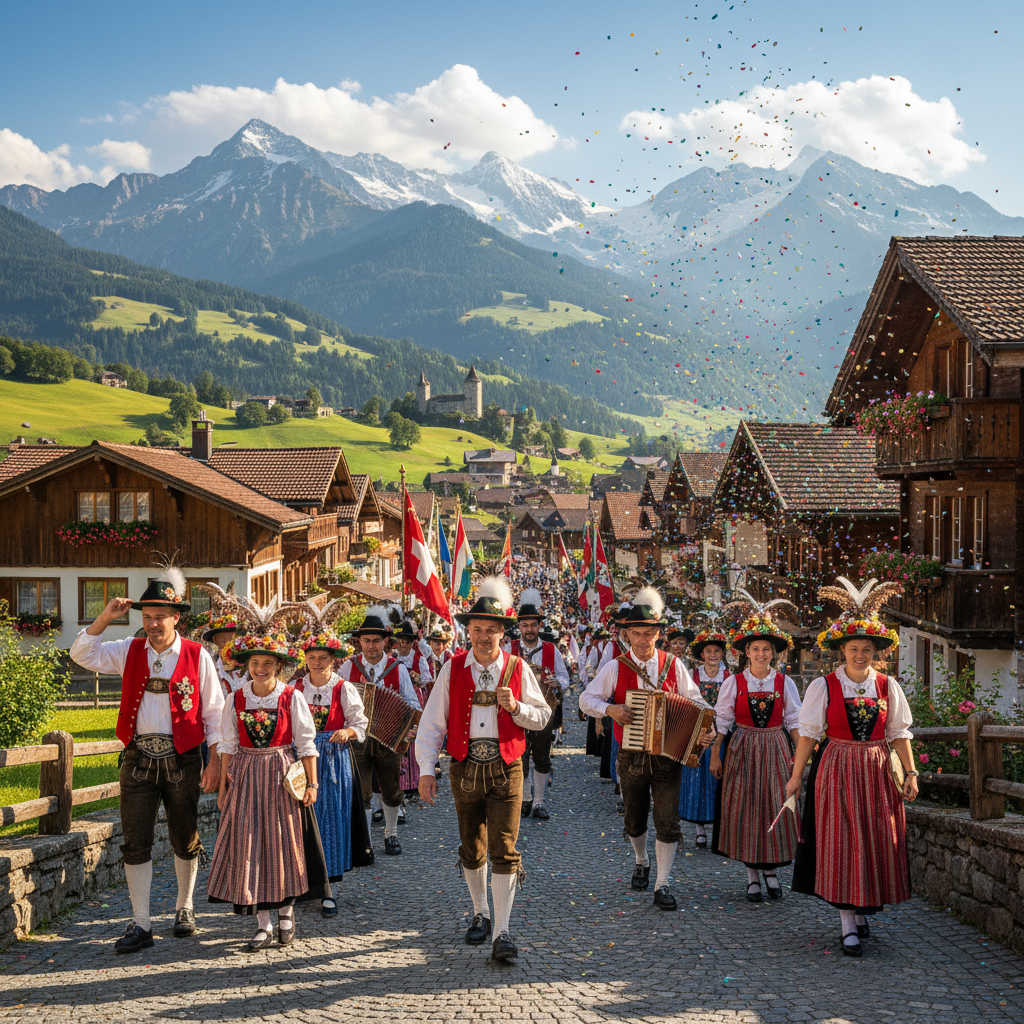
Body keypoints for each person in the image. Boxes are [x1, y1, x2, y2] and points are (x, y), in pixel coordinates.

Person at [70, 569, 224, 954]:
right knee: (135, 841)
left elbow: (215, 713)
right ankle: (141, 923)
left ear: (177, 617)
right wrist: (105, 617)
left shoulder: (196, 654)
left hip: (184, 757)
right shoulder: (127, 649)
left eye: (161, 616)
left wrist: (216, 761)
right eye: (148, 616)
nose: (153, 624)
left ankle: (184, 908)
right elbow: (81, 654)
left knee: (184, 836)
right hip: (138, 757)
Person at [417, 577, 552, 961]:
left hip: (506, 766)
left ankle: (503, 933)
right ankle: (481, 913)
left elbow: (542, 717)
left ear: (502, 633)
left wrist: (516, 709)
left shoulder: (518, 667)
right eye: (477, 629)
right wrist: (427, 769)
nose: (483, 636)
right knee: (471, 848)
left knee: (504, 848)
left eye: (491, 630)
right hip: (464, 767)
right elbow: (432, 724)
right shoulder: (452, 668)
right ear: (468, 631)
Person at [790, 578, 918, 957]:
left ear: (875, 652)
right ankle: (847, 923)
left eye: (866, 649)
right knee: (843, 840)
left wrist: (910, 772)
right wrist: (796, 777)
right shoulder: (824, 686)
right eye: (853, 648)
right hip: (838, 768)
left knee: (875, 839)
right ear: (841, 650)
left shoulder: (887, 685)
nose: (859, 655)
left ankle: (861, 909)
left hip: (878, 769)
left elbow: (899, 732)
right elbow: (809, 735)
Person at [580, 589, 714, 911]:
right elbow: (586, 699)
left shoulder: (673, 664)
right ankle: (641, 859)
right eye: (637, 633)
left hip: (668, 756)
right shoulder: (615, 666)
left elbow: (696, 700)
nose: (643, 640)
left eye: (649, 633)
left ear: (658, 634)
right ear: (627, 634)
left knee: (668, 822)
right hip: (631, 756)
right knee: (635, 820)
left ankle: (662, 883)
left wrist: (704, 728)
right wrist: (611, 711)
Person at [208, 632, 330, 949]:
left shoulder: (292, 697)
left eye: (267, 663)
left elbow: (306, 745)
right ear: (247, 665)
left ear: (278, 666)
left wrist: (312, 784)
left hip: (281, 775)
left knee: (284, 844)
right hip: (246, 776)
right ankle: (263, 924)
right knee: (251, 846)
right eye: (255, 663)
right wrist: (222, 786)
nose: (260, 668)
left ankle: (287, 914)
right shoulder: (236, 698)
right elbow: (227, 745)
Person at [710, 606, 802, 903]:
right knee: (746, 808)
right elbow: (721, 721)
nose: (761, 653)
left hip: (775, 747)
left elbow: (794, 722)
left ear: (773, 653)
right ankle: (752, 875)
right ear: (746, 651)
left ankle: (771, 869)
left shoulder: (784, 682)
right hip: (743, 748)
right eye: (756, 648)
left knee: (775, 804)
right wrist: (715, 754)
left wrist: (801, 759)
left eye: (766, 649)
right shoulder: (733, 683)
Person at [295, 629, 374, 916]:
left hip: (334, 761)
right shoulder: (295, 688)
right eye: (312, 657)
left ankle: (328, 888)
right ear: (305, 660)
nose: (317, 663)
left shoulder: (343, 688)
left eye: (323, 658)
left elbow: (361, 725)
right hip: (302, 760)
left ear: (333, 660)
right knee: (301, 821)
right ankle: (302, 882)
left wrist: (347, 731)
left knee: (331, 822)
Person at [337, 607, 421, 855]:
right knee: (361, 791)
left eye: (376, 641)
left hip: (389, 739)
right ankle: (366, 843)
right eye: (366, 641)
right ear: (359, 641)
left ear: (386, 641)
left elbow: (413, 704)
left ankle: (391, 834)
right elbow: (337, 702)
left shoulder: (398, 669)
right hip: (357, 739)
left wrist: (410, 728)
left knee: (391, 788)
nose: (371, 646)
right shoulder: (346, 669)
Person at [507, 589, 570, 820]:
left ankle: (539, 802)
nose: (530, 630)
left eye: (533, 625)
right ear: (519, 627)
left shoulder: (551, 650)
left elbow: (565, 678)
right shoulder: (508, 649)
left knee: (542, 757)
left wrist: (557, 682)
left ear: (539, 627)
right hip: (517, 711)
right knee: (519, 756)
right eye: (525, 626)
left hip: (544, 712)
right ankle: (524, 799)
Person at [679, 629, 730, 848]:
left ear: (722, 654)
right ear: (702, 654)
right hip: (698, 733)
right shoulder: (692, 675)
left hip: (723, 732)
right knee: (697, 780)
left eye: (716, 651)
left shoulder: (730, 676)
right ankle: (699, 829)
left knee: (720, 779)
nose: (712, 655)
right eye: (708, 651)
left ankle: (720, 826)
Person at [392, 620, 434, 805]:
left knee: (413, 738)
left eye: (406, 641)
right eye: (399, 641)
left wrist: (418, 680)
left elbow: (428, 680)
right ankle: (399, 782)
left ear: (411, 643)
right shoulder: (392, 659)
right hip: (397, 700)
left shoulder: (419, 659)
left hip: (415, 700)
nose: (402, 645)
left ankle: (412, 782)